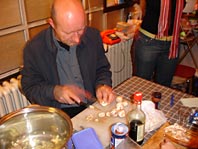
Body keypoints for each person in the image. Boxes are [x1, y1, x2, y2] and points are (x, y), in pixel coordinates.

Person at [21, 0, 115, 118]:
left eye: (80, 29)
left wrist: (102, 85)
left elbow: (102, 68)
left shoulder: (93, 36)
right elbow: (30, 88)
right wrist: (54, 92)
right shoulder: (34, 49)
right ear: (52, 24)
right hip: (58, 114)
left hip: (92, 106)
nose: (76, 39)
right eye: (68, 33)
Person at [132, 0, 185, 87]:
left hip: (172, 44)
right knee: (141, 84)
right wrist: (136, 5)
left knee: (165, 86)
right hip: (148, 42)